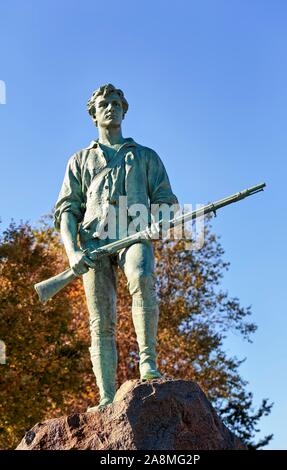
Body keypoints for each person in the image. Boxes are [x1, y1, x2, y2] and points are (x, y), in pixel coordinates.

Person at [54, 84, 178, 411]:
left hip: (134, 234)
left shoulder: (146, 156)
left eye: (115, 103)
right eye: (103, 104)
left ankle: (148, 364)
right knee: (100, 320)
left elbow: (166, 200)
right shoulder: (79, 161)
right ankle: (106, 396)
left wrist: (158, 219)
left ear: (124, 110)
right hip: (93, 243)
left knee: (141, 276)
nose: (110, 108)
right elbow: (66, 210)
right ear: (93, 113)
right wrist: (72, 252)